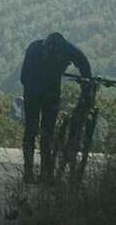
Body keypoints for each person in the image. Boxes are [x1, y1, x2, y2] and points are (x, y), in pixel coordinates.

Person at [20, 32, 92, 184]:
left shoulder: (68, 49)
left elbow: (84, 63)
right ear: (45, 49)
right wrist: (37, 93)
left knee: (47, 132)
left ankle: (46, 173)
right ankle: (29, 172)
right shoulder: (34, 49)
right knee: (32, 129)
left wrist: (87, 84)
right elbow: (24, 77)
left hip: (51, 91)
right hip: (34, 90)